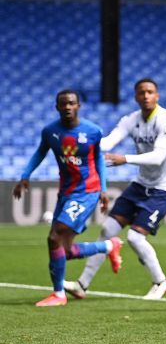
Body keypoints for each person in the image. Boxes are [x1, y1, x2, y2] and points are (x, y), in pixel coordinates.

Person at [65, 78, 166, 300]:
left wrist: (124, 159)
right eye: (141, 93)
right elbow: (108, 142)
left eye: (150, 92)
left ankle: (160, 281)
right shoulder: (132, 120)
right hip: (140, 185)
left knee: (136, 238)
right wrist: (79, 144)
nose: (146, 96)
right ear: (136, 97)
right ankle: (82, 284)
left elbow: (158, 157)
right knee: (107, 229)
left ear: (157, 96)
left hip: (163, 189)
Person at [12, 90, 121, 307]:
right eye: (63, 104)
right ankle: (110, 246)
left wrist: (102, 189)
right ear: (57, 107)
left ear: (78, 106)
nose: (68, 107)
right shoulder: (50, 131)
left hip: (87, 192)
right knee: (66, 249)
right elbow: (40, 153)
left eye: (72, 103)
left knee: (54, 238)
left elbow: (98, 158)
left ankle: (58, 294)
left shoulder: (92, 131)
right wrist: (25, 175)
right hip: (66, 192)